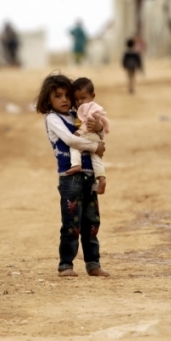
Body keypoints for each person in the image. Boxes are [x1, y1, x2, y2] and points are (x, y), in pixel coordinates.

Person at [35, 73, 110, 278]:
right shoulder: (53, 119)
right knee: (71, 223)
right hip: (70, 178)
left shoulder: (78, 116)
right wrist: (96, 146)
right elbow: (70, 140)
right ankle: (66, 264)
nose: (65, 100)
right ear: (48, 100)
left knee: (92, 222)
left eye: (67, 95)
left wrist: (99, 128)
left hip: (89, 176)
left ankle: (93, 263)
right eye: (58, 96)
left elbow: (98, 133)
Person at [67, 77, 109, 195]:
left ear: (92, 96)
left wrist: (77, 134)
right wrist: (101, 128)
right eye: (76, 99)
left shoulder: (89, 110)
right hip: (95, 139)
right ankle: (101, 179)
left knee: (74, 145)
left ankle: (76, 164)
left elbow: (86, 127)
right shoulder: (84, 109)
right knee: (96, 159)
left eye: (83, 98)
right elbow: (102, 130)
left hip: (89, 136)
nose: (79, 102)